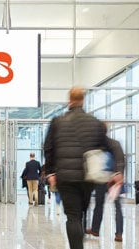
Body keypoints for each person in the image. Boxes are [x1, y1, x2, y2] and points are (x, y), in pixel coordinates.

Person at [44, 87, 112, 249]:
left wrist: (51, 171)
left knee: (73, 216)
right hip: (87, 176)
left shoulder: (57, 122)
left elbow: (48, 148)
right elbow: (104, 147)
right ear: (83, 100)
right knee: (81, 213)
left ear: (69, 100)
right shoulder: (95, 122)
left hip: (65, 177)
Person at [86, 125, 125, 242]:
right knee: (117, 207)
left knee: (99, 204)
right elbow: (121, 159)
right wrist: (119, 173)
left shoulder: (97, 146)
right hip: (114, 178)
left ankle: (95, 229)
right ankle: (118, 234)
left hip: (103, 178)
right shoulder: (114, 143)